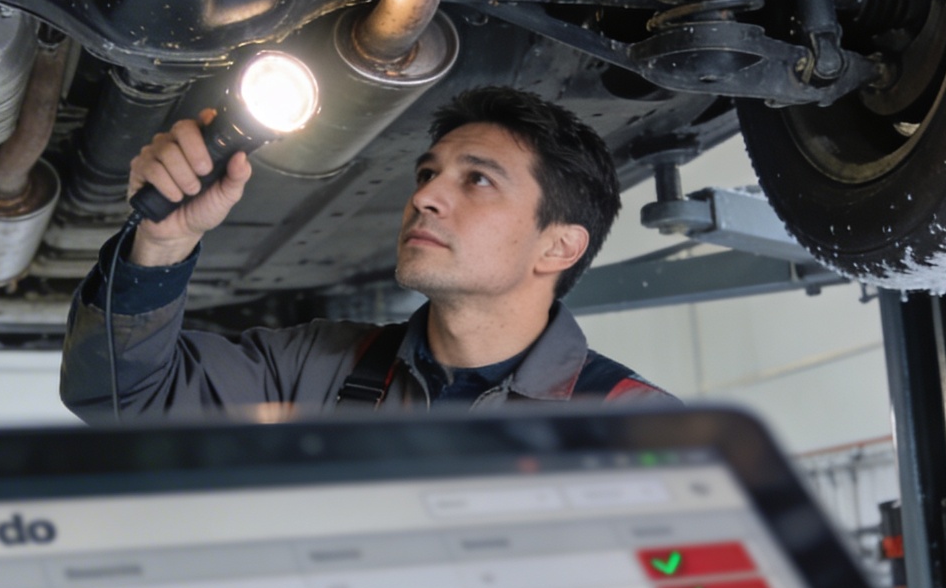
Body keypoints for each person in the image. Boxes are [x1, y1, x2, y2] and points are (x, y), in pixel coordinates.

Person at [61, 85, 672, 419]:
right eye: (428, 172)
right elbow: (120, 397)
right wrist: (163, 243)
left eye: (477, 179)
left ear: (558, 246)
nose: (426, 195)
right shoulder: (317, 367)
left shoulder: (637, 428)